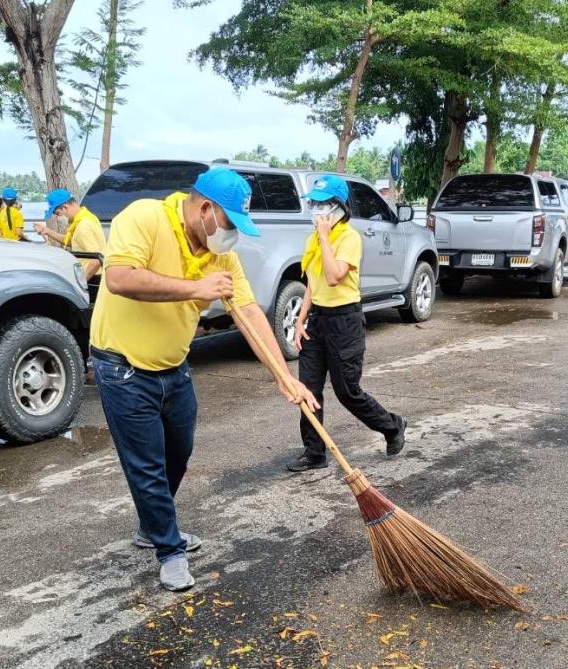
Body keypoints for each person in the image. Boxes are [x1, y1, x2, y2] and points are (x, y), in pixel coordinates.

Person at [90, 168, 318, 592]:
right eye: (230, 223)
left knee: (179, 450)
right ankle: (168, 549)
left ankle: (151, 526)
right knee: (148, 464)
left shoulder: (221, 256)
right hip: (121, 367)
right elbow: (120, 277)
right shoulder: (144, 217)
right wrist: (196, 288)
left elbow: (248, 312)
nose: (231, 235)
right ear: (206, 209)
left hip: (173, 365)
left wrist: (285, 378)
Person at [286, 175, 406, 473]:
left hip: (345, 321)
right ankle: (314, 452)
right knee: (309, 389)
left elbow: (333, 276)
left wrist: (325, 238)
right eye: (313, 203)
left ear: (337, 208)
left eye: (321, 204)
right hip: (318, 322)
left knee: (347, 391)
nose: (315, 210)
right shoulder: (313, 240)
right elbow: (314, 283)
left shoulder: (349, 238)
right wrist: (301, 321)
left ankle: (392, 426)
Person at [35, 188, 106, 283]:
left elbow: (96, 260)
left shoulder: (83, 226)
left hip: (92, 277)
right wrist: (47, 231)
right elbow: (71, 241)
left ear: (65, 207)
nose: (59, 217)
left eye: (58, 214)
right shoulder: (84, 218)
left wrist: (79, 284)